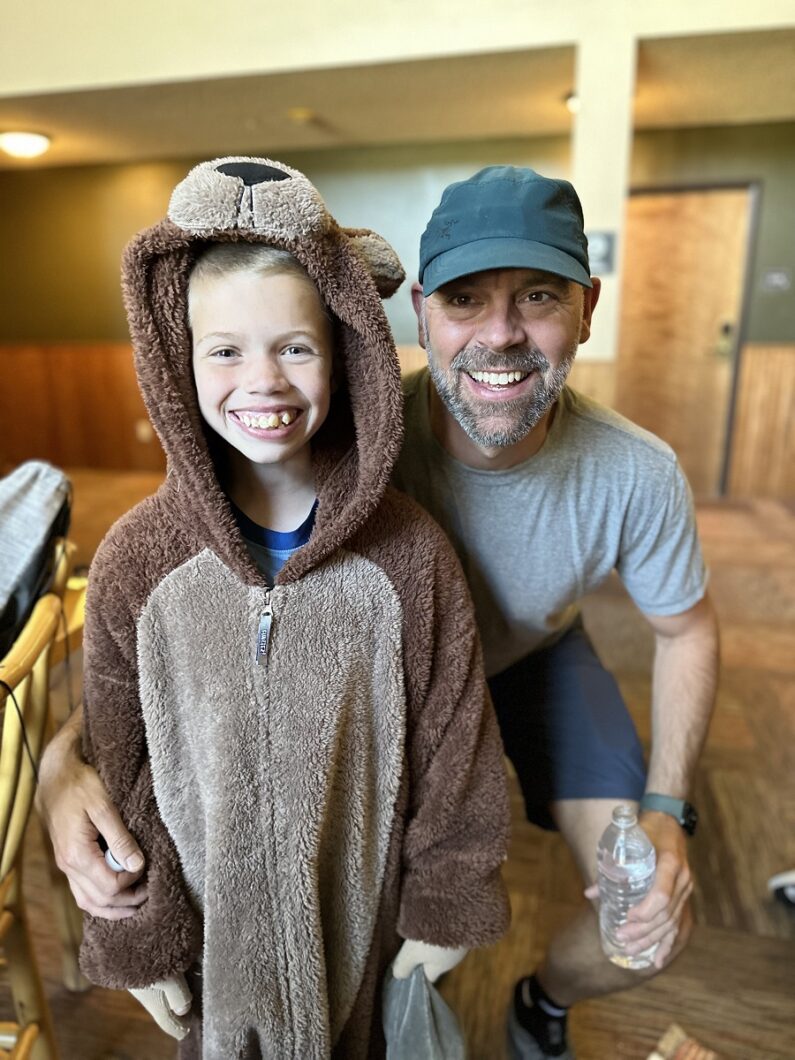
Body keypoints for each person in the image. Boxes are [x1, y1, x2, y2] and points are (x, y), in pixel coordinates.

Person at [38, 164, 719, 1060]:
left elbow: (686, 629)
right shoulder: (343, 437)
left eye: (540, 297)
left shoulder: (633, 471)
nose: (501, 335)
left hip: (536, 656)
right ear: (419, 312)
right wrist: (60, 762)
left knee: (646, 920)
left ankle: (540, 999)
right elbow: (187, 658)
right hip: (384, 689)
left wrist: (668, 810)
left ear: (586, 308)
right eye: (467, 299)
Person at [59, 156, 510, 1059]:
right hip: (208, 947)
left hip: (361, 937)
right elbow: (120, 761)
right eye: (224, 350)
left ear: (344, 359)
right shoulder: (136, 564)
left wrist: (450, 900)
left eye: (294, 347)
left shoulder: (409, 555)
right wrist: (138, 933)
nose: (261, 381)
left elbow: (454, 740)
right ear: (175, 364)